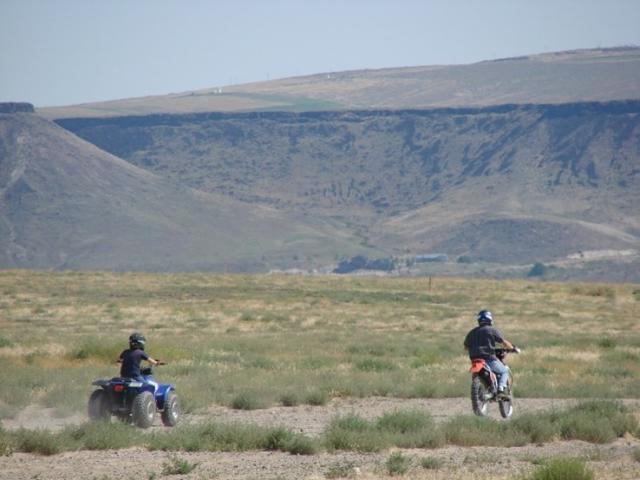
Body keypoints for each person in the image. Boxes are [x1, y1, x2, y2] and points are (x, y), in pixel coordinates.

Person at [464, 310, 517, 396]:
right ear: (490, 319)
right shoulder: (491, 330)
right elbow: (503, 342)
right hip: (489, 358)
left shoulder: (471, 332)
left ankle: (488, 389)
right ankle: (501, 389)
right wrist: (513, 348)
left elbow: (466, 347)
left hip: (474, 359)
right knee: (504, 371)